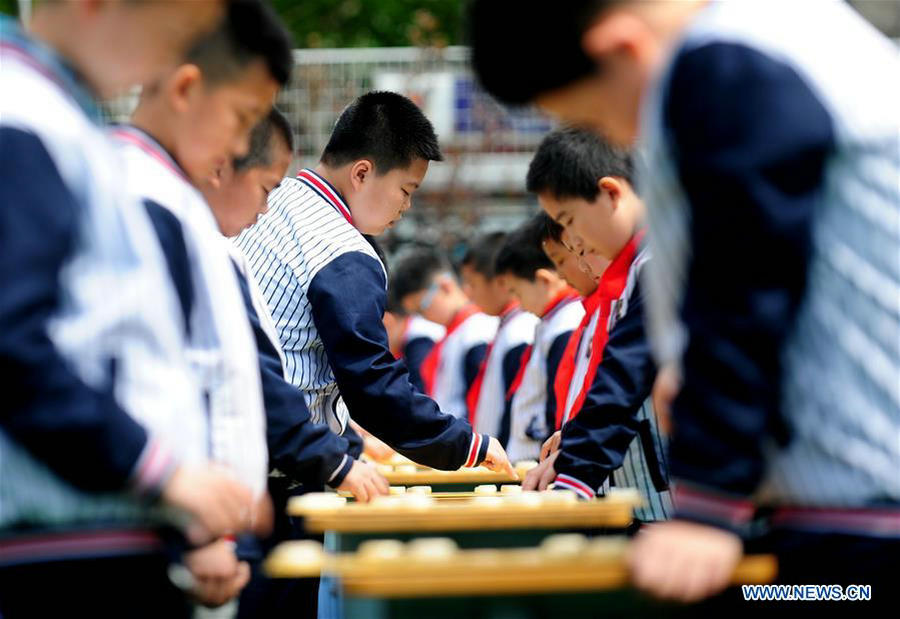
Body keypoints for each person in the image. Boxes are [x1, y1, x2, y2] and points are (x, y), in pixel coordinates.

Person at [470, 0, 900, 603]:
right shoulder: (778, 38)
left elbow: (742, 280)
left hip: (858, 514)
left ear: (622, 47)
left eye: (600, 119)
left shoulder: (729, 65)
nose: (623, 139)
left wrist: (710, 501)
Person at [0, 1, 257, 617]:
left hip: (101, 526)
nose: (176, 60)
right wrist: (162, 472)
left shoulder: (61, 117)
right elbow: (13, 342)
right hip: (65, 540)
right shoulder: (26, 116)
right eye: (176, 32)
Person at [235, 91, 514, 475]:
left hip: (241, 438)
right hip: (282, 463)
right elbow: (371, 383)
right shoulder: (342, 249)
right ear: (362, 173)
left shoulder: (272, 198)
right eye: (406, 190)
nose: (407, 206)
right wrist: (466, 444)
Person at [521, 129, 672, 527]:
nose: (575, 242)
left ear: (611, 193)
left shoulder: (662, 261)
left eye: (571, 223)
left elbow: (624, 376)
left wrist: (575, 472)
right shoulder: (640, 268)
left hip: (681, 499)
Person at [494, 216, 583, 463]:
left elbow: (557, 404)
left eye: (517, 292)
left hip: (542, 461)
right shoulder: (551, 322)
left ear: (544, 280)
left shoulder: (565, 324)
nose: (518, 303)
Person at [392, 248, 498, 422]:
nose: (424, 317)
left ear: (445, 286)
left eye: (422, 307)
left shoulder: (479, 332)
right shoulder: (452, 335)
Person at [460, 232, 537, 445]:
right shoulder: (506, 326)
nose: (469, 294)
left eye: (473, 284)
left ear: (500, 282)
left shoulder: (521, 332)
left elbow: (515, 408)